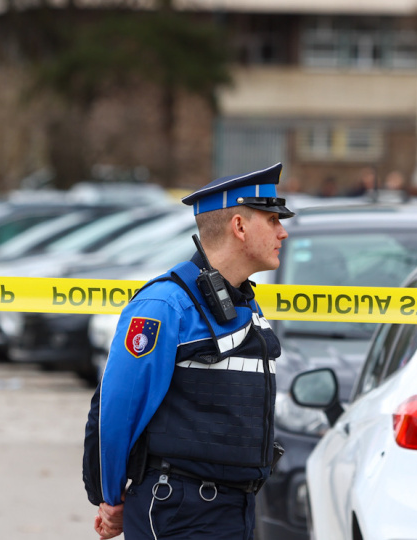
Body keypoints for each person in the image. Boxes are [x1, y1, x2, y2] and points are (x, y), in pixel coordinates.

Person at [82, 163, 295, 540]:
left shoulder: (243, 302)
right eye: (272, 220)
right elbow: (115, 410)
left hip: (234, 509)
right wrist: (109, 497)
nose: (283, 231)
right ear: (239, 226)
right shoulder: (165, 305)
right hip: (179, 513)